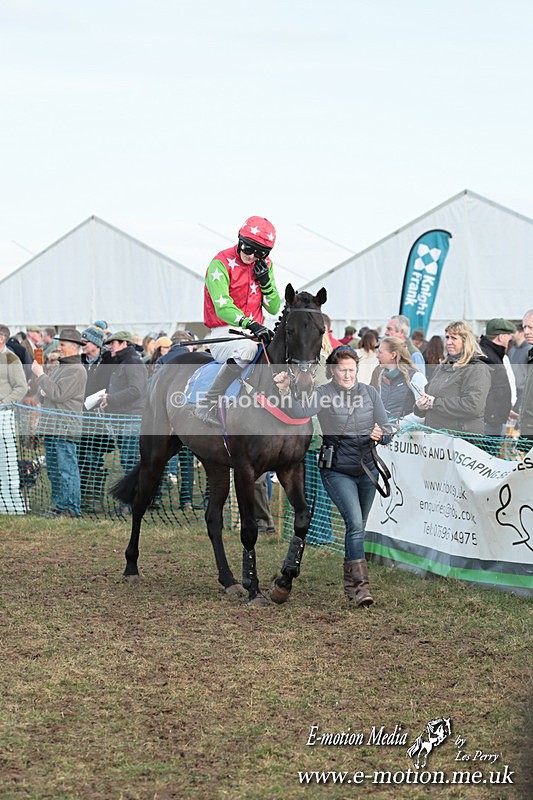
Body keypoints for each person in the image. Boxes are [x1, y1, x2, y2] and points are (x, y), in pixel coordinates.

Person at [275, 346, 391, 606]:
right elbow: (299, 411)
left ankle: (351, 587)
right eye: (342, 370)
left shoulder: (370, 393)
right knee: (355, 525)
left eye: (351, 370)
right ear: (333, 371)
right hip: (337, 470)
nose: (348, 375)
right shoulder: (323, 394)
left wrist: (382, 434)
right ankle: (361, 587)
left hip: (368, 470)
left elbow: (388, 426)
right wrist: (284, 392)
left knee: (357, 527)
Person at [195, 215, 281, 424]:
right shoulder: (220, 263)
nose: (252, 257)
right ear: (239, 240)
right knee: (247, 349)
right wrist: (249, 324)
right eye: (248, 249)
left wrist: (266, 283)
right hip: (224, 332)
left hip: (255, 332)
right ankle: (208, 402)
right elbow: (222, 307)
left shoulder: (266, 265)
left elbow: (274, 307)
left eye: (259, 253)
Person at [31, 328, 87, 517]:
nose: (59, 348)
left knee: (66, 470)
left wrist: (40, 375)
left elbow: (58, 394)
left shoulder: (76, 370)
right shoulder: (62, 368)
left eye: (62, 345)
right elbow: (48, 392)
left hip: (64, 428)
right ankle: (59, 506)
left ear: (74, 347)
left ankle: (71, 508)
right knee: (54, 471)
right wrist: (43, 387)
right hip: (53, 427)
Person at [414, 321, 491, 436]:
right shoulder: (443, 366)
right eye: (447, 337)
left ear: (465, 341)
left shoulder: (477, 368)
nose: (449, 342)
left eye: (454, 338)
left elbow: (472, 406)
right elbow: (429, 395)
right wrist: (420, 406)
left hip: (461, 440)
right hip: (437, 439)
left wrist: (435, 403)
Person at [100, 331, 148, 477]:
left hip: (132, 418)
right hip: (123, 418)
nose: (109, 347)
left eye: (113, 343)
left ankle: (134, 497)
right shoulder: (123, 361)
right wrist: (108, 401)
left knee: (130, 461)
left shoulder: (132, 362)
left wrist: (110, 398)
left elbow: (135, 390)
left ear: (124, 343)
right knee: (127, 460)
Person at [0, 325, 28, 513]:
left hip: (4, 415)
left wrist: (3, 402)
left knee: (7, 460)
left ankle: (12, 506)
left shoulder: (12, 359)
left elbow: (21, 387)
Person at [372, 337, 427, 419]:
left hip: (406, 430)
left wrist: (398, 425)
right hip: (386, 429)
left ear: (393, 355)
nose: (377, 356)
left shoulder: (416, 377)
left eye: (380, 352)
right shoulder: (382, 376)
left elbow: (424, 413)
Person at [479, 318, 517, 436]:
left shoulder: (493, 354)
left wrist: (504, 411)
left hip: (494, 419)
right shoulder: (487, 357)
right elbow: (482, 390)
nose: (510, 340)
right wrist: (494, 414)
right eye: (508, 336)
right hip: (489, 423)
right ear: (500, 337)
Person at [517, 309, 533, 449]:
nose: (526, 331)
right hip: (528, 428)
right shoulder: (531, 355)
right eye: (524, 327)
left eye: (531, 327)